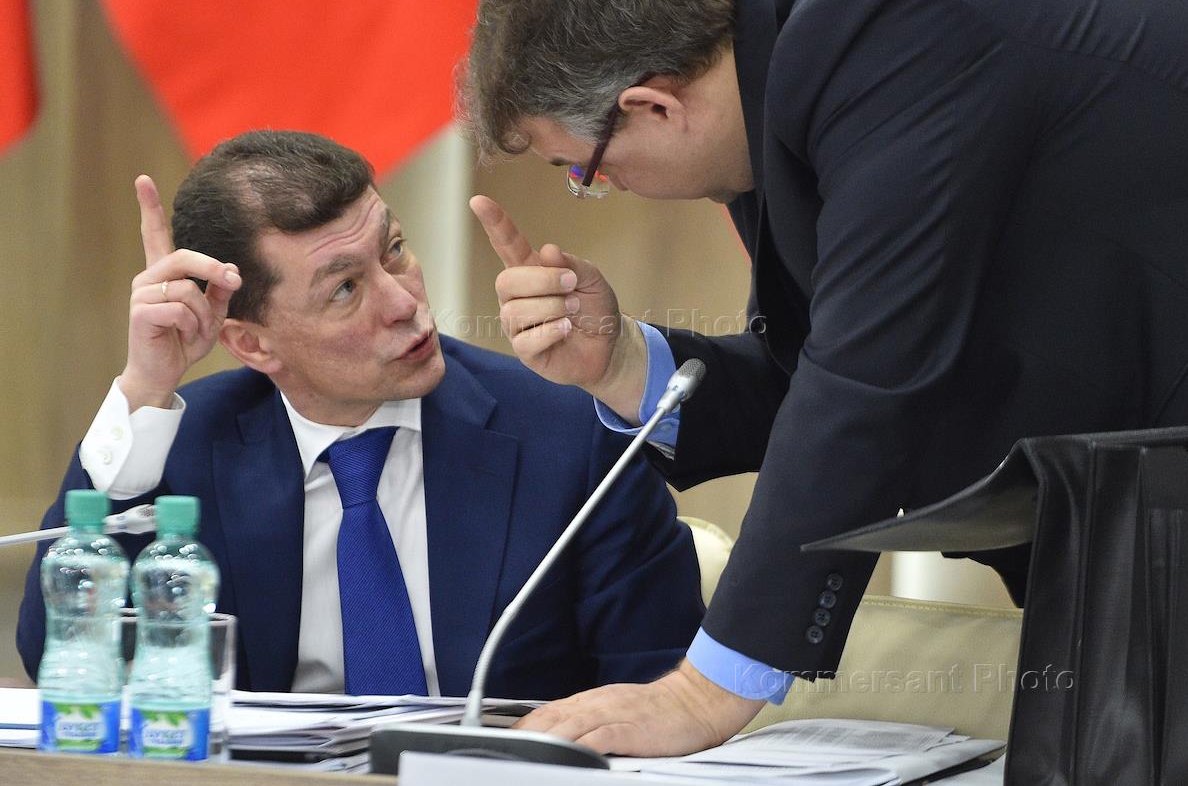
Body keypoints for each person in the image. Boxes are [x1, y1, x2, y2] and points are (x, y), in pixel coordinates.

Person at [461, 0, 1188, 754]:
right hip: (1141, 529)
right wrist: (623, 363)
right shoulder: (798, 60)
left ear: (654, 106)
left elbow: (869, 380)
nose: (604, 187)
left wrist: (706, 690)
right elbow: (827, 378)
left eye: (584, 169)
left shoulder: (892, 28)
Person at [17, 129, 704, 699]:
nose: (405, 302)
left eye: (393, 251)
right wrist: (144, 386)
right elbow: (61, 657)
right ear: (253, 344)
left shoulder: (569, 432)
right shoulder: (182, 447)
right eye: (345, 288)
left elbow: (660, 688)